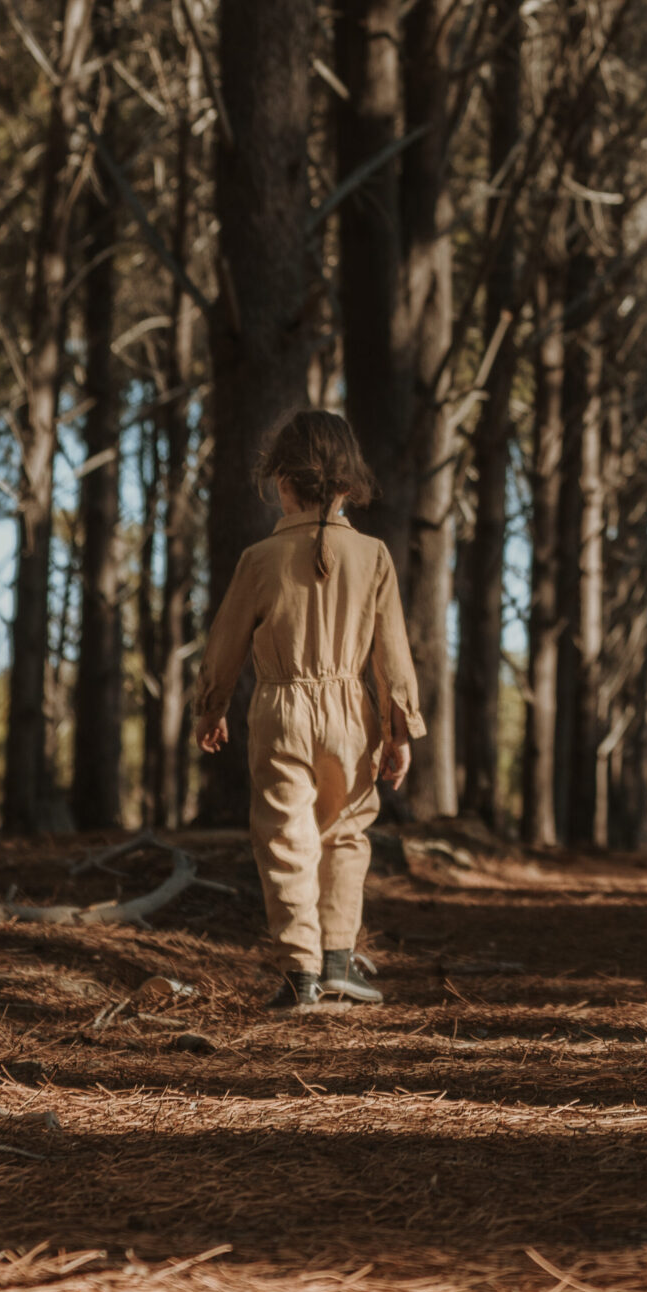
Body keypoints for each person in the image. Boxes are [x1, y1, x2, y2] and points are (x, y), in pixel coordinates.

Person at [195, 412, 422, 1012]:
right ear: (349, 485)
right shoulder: (373, 556)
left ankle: (300, 974)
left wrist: (211, 707)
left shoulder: (260, 558)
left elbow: (225, 641)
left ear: (282, 483)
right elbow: (392, 656)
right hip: (352, 712)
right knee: (346, 833)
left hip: (279, 711)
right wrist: (400, 732)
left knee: (285, 839)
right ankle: (340, 963)